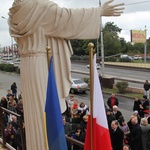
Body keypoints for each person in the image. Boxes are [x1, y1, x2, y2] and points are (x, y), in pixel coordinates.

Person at [8, 0, 124, 149]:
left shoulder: (17, 9)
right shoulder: (39, 7)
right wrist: (98, 11)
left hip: (28, 64)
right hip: (41, 64)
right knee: (43, 112)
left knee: (35, 115)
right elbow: (67, 19)